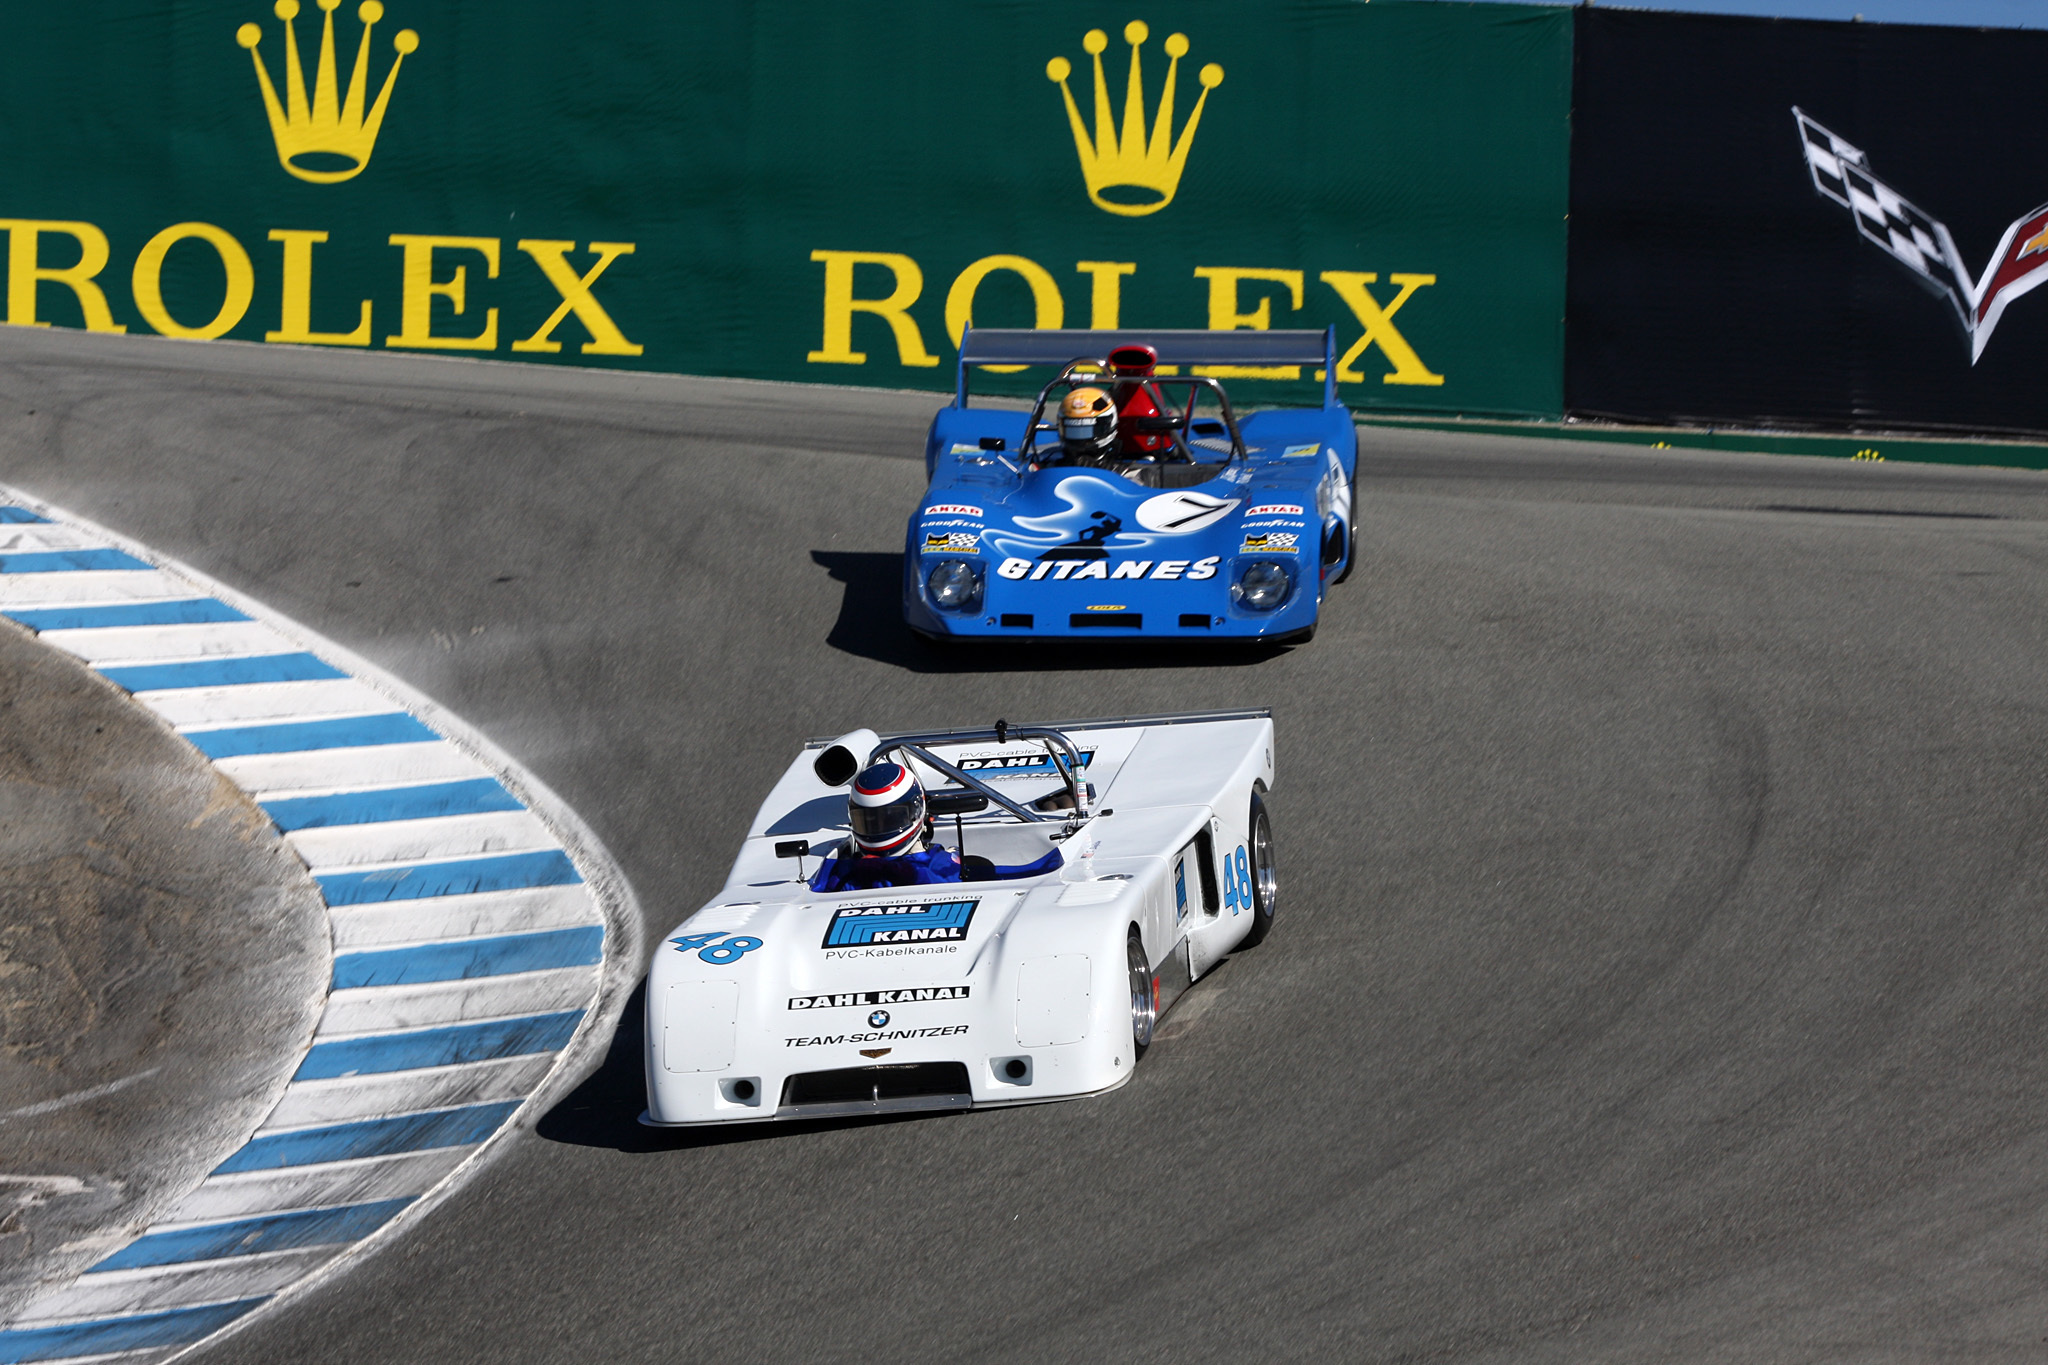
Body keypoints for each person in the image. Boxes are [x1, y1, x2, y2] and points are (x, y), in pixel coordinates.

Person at [809, 761, 1065, 893]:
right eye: (869, 820)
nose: (879, 828)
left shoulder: (836, 878)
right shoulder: (940, 870)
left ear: (918, 810)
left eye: (890, 818)